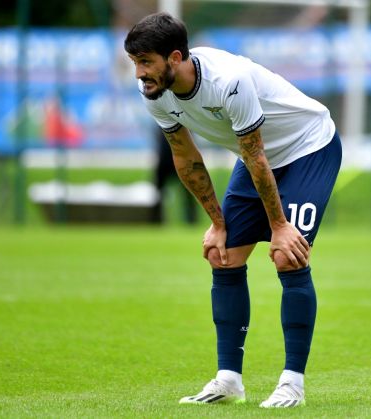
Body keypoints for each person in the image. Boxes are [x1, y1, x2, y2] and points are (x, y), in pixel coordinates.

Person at [124, 12, 341, 408]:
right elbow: (185, 156)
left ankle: (292, 384)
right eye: (135, 63)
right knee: (221, 256)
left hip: (309, 148)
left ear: (175, 58)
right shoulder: (154, 92)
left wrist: (279, 226)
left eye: (146, 62)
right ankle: (228, 380)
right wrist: (217, 224)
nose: (139, 73)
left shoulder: (228, 81)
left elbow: (256, 155)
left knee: (286, 255)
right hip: (255, 156)